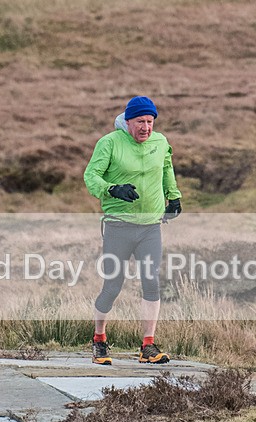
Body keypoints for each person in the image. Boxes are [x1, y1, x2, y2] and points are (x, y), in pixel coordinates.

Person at [83, 96, 182, 365]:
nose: (145, 127)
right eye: (140, 122)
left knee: (151, 281)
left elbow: (166, 168)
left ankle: (148, 346)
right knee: (113, 286)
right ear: (128, 122)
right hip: (118, 225)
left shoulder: (160, 142)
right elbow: (91, 176)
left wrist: (174, 197)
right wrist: (112, 189)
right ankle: (99, 339)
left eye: (150, 122)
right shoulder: (110, 143)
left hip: (150, 227)